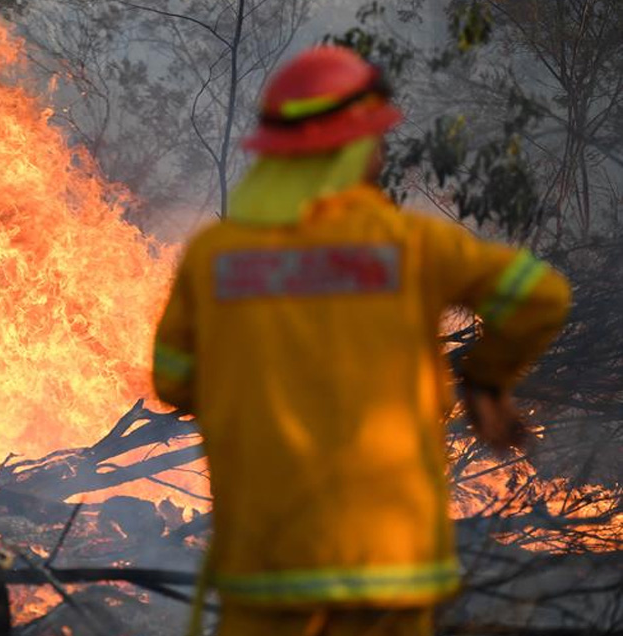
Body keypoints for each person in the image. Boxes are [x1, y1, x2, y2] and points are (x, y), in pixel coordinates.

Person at [151, 45, 571, 636]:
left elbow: (171, 379)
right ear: (358, 148)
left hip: (266, 570)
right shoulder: (411, 246)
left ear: (275, 153)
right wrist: (486, 381)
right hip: (390, 565)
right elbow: (541, 297)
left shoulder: (213, 259)